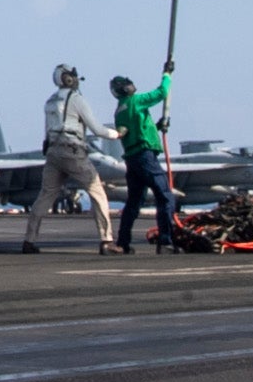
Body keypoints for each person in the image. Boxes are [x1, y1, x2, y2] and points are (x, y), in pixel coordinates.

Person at [26, 63, 118, 254]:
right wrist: (117, 134)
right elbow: (97, 129)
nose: (76, 79)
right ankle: (106, 240)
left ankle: (29, 240)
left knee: (45, 196)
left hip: (53, 153)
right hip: (73, 152)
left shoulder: (50, 101)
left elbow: (47, 132)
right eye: (73, 76)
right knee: (97, 192)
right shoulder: (76, 100)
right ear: (67, 78)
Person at [110, 71, 176, 252]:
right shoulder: (136, 101)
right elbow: (162, 92)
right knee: (165, 196)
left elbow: (137, 128)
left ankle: (123, 243)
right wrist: (167, 75)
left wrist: (157, 125)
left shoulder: (120, 110)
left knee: (133, 202)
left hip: (132, 160)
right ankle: (165, 241)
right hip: (145, 156)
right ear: (124, 88)